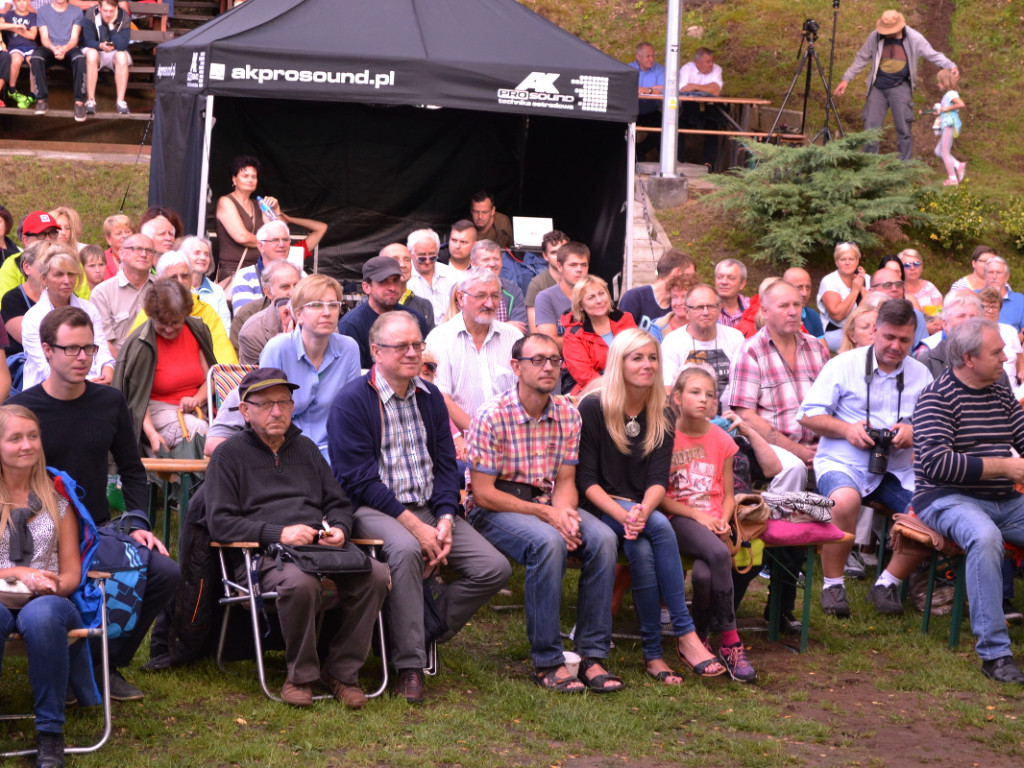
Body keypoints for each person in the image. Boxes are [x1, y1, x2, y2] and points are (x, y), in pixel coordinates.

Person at [328, 311, 511, 703]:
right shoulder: (351, 402)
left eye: (417, 344)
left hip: (431, 506)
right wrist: (417, 527)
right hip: (374, 510)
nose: (413, 353)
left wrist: (445, 518)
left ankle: (420, 628)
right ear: (376, 351)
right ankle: (409, 665)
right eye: (402, 346)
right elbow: (358, 481)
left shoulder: (430, 398)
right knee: (408, 550)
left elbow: (447, 466)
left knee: (493, 568)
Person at [10, 306, 178, 702]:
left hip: (98, 528)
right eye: (72, 349)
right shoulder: (21, 411)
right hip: (38, 534)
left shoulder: (109, 401)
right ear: (47, 351)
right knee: (72, 582)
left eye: (89, 348)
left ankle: (107, 663)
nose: (83, 357)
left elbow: (133, 470)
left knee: (165, 572)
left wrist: (137, 520)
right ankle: (69, 667)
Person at [204, 367, 390, 707]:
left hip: (319, 550)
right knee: (299, 583)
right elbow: (219, 523)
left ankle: (341, 672)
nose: (277, 411)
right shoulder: (229, 455)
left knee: (376, 575)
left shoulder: (306, 449)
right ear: (245, 410)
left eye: (284, 402)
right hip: (264, 556)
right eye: (266, 404)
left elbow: (338, 503)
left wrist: (339, 528)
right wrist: (279, 533)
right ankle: (301, 676)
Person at [466, 333, 621, 693]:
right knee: (548, 543)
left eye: (554, 360)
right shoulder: (492, 416)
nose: (548, 367)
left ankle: (592, 654)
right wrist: (548, 517)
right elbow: (483, 493)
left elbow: (566, 479)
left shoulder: (568, 413)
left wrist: (564, 514)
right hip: (497, 506)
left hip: (550, 501)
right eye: (538, 360)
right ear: (516, 367)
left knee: (604, 539)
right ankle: (548, 660)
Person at [577, 331, 728, 683]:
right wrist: (626, 515)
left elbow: (659, 477)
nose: (647, 364)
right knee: (659, 528)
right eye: (637, 357)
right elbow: (586, 480)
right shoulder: (594, 406)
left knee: (643, 550)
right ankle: (684, 636)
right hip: (599, 505)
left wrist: (642, 510)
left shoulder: (661, 410)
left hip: (641, 507)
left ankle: (654, 656)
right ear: (619, 361)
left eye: (652, 358)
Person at [798, 299, 933, 617]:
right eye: (889, 337)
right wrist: (846, 430)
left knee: (932, 509)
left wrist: (913, 431)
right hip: (844, 461)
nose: (895, 346)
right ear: (874, 331)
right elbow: (808, 415)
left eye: (904, 340)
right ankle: (833, 585)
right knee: (844, 501)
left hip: (898, 467)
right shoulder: (843, 364)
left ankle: (887, 583)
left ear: (913, 338)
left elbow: (935, 423)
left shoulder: (921, 374)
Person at [912, 318, 1024, 683]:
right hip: (946, 497)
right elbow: (937, 463)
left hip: (1004, 500)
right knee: (985, 536)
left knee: (990, 528)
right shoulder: (936, 398)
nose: (1006, 358)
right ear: (968, 358)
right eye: (997, 352)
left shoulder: (999, 390)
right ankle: (995, 655)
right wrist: (1004, 467)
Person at [0, 405, 94, 766]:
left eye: (33, 436)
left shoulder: (58, 501)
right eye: (15, 438)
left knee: (42, 617)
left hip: (49, 601)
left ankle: (50, 734)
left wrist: (53, 585)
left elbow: (72, 572)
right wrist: (20, 573)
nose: (27, 445)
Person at [660, 365, 759, 681]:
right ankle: (731, 642)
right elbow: (660, 497)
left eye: (710, 394)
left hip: (714, 521)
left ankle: (699, 637)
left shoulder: (722, 440)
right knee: (718, 556)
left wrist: (722, 518)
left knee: (704, 576)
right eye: (695, 392)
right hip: (680, 518)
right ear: (676, 397)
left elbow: (729, 494)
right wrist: (700, 516)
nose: (704, 400)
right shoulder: (666, 438)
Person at [259, 274, 360, 462]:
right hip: (284, 449)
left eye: (333, 305)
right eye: (316, 305)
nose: (327, 312)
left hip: (335, 450)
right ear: (298, 314)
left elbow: (352, 410)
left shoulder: (349, 348)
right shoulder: (278, 349)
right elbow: (264, 413)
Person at [833, 9, 957, 160]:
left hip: (900, 86)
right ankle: (868, 166)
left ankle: (904, 167)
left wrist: (949, 65)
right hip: (877, 87)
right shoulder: (876, 36)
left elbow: (932, 54)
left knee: (904, 129)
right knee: (870, 128)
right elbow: (862, 57)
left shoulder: (914, 38)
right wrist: (846, 79)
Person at [113, 279, 214, 454]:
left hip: (198, 407)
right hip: (157, 410)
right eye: (162, 323)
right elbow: (136, 400)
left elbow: (211, 378)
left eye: (175, 322)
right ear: (151, 316)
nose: (168, 329)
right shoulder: (140, 344)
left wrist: (196, 398)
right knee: (197, 430)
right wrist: (152, 434)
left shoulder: (197, 330)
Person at [424, 267, 521, 432]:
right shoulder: (440, 338)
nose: (490, 303)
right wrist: (480, 434)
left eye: (495, 295)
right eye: (481, 296)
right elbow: (441, 397)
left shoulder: (514, 337)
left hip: (511, 437)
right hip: (462, 441)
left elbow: (524, 391)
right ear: (460, 298)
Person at [21, 243, 115, 389]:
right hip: (46, 393)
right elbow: (47, 370)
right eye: (59, 274)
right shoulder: (32, 318)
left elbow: (100, 347)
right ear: (44, 279)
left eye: (71, 274)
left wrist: (108, 369)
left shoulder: (89, 309)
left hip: (94, 386)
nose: (67, 280)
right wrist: (89, 381)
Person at [127, 250, 237, 365]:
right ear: (160, 281)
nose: (180, 281)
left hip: (200, 376)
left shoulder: (205, 310)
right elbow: (134, 353)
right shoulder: (150, 312)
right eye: (173, 277)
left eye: (185, 276)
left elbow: (222, 351)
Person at [338, 255, 430, 369]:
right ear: (366, 287)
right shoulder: (351, 325)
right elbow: (351, 377)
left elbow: (426, 365)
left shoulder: (415, 319)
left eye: (396, 281)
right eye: (383, 282)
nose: (392, 287)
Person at [561, 275, 636, 395]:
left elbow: (637, 354)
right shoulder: (573, 334)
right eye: (591, 297)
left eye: (602, 293)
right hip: (585, 388)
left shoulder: (625, 319)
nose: (599, 300)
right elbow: (585, 376)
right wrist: (619, 388)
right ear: (580, 305)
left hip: (625, 382)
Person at [89, 232, 156, 355]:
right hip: (118, 365)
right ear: (121, 253)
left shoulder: (162, 288)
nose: (144, 254)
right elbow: (103, 341)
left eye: (149, 250)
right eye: (137, 249)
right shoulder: (102, 293)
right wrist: (123, 368)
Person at [214, 155, 270, 281]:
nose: (250, 179)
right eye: (245, 176)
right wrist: (270, 243)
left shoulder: (259, 204)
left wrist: (275, 209)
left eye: (253, 176)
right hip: (234, 271)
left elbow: (276, 231)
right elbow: (242, 237)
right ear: (234, 179)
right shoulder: (226, 201)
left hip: (260, 269)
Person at [234, 260, 300, 365]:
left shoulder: (319, 315)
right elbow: (257, 377)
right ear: (268, 292)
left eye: (297, 285)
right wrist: (283, 348)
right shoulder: (250, 326)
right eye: (285, 287)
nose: (293, 292)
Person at [29, 0, 86, 119]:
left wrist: (64, 49)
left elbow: (74, 38)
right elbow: (44, 38)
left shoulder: (77, 11)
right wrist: (54, 49)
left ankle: (79, 103)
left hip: (69, 48)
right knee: (36, 57)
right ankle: (41, 100)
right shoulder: (43, 11)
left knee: (80, 58)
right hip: (50, 48)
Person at [619, 249, 696, 331]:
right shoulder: (634, 298)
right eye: (690, 276)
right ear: (677, 272)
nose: (693, 281)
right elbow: (623, 338)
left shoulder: (679, 305)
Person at [534, 241, 589, 351]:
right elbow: (549, 343)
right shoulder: (545, 297)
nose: (579, 270)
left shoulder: (597, 296)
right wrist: (591, 340)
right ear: (559, 266)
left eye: (583, 265)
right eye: (573, 265)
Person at [230, 220, 297, 310]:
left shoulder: (301, 275)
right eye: (275, 240)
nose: (281, 244)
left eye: (285, 239)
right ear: (260, 246)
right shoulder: (245, 276)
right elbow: (244, 320)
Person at [677, 47, 725, 170]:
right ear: (698, 64)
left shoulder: (717, 69)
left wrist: (695, 86)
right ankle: (678, 160)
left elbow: (716, 91)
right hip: (688, 109)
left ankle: (708, 164)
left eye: (712, 61)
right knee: (677, 124)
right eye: (708, 62)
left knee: (712, 125)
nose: (711, 64)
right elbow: (682, 89)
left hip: (709, 107)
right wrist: (707, 87)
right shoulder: (687, 69)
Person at [818, 241, 870, 352]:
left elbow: (872, 308)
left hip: (862, 328)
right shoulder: (829, 281)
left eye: (851, 259)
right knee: (865, 344)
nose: (847, 263)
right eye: (843, 259)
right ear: (837, 262)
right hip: (835, 330)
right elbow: (837, 315)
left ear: (857, 261)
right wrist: (855, 290)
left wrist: (863, 291)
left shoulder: (867, 279)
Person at [81, 0, 131, 116]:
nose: (108, 14)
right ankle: (91, 100)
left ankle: (120, 101)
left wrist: (111, 26)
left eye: (111, 11)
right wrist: (100, 46)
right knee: (91, 54)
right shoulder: (90, 14)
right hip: (96, 51)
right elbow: (87, 40)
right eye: (105, 11)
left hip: (115, 53)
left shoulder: (124, 16)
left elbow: (123, 45)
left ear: (117, 8)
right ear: (99, 7)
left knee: (122, 56)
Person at [916, 291, 982, 378]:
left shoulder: (990, 359)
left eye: (973, 317)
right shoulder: (928, 361)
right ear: (945, 324)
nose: (968, 322)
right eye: (961, 316)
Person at [469, 239, 527, 331]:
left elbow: (520, 329)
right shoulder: (463, 289)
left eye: (496, 259)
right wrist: (505, 326)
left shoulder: (513, 290)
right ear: (473, 264)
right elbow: (466, 327)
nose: (492, 264)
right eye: (486, 260)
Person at [180, 235, 231, 334]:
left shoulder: (217, 291)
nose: (203, 258)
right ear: (184, 257)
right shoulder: (175, 288)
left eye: (207, 254)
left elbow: (224, 329)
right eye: (197, 253)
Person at [405, 229, 457, 325]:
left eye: (433, 257)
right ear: (410, 253)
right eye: (422, 258)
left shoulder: (451, 274)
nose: (428, 261)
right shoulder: (405, 279)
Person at [381, 242, 434, 328]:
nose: (403, 265)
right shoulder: (371, 303)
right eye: (395, 260)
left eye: (407, 260)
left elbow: (429, 340)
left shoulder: (424, 305)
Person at [525, 230, 569, 330]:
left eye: (563, 251)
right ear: (545, 256)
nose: (559, 256)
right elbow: (535, 333)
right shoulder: (537, 285)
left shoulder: (581, 281)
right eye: (554, 252)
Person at [630, 41, 666, 160]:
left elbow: (663, 90)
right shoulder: (629, 69)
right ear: (638, 57)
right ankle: (632, 156)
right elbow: (627, 89)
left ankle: (638, 153)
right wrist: (653, 89)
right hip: (632, 109)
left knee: (662, 129)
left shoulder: (660, 69)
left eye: (653, 55)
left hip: (651, 109)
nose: (651, 59)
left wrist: (647, 90)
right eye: (648, 56)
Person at [0, 0, 38, 108]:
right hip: (15, 47)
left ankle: (32, 95)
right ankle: (12, 90)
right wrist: (16, 26)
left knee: (34, 61)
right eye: (18, 1)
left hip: (30, 47)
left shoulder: (33, 16)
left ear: (28, 2)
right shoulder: (8, 14)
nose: (21, 3)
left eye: (24, 1)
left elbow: (32, 35)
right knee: (15, 60)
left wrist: (13, 29)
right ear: (14, 2)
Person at [931, 67, 966, 185]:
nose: (938, 84)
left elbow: (960, 104)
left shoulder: (951, 93)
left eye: (939, 82)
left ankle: (952, 179)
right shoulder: (947, 95)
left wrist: (946, 108)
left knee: (944, 152)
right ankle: (958, 165)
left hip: (949, 125)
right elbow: (946, 110)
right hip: (945, 124)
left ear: (944, 82)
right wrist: (939, 111)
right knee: (938, 151)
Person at [898, 248, 942, 334]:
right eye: (907, 265)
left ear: (921, 267)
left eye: (916, 264)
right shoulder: (897, 290)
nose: (912, 268)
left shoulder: (929, 287)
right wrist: (923, 327)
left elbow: (940, 311)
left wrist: (938, 324)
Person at [984, 257, 1024, 334]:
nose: (994, 277)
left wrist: (1012, 340)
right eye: (990, 272)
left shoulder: (1020, 300)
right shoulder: (974, 297)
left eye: (999, 273)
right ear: (985, 275)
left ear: (1007, 276)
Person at [782, 267, 825, 339]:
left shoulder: (812, 315)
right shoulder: (775, 316)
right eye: (799, 287)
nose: (805, 294)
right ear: (784, 288)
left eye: (808, 288)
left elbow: (822, 348)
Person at [714, 259, 748, 329]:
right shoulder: (705, 308)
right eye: (719, 277)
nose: (724, 282)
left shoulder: (753, 308)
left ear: (742, 284)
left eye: (731, 278)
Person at [99, 213, 133, 279]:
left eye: (127, 232)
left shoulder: (142, 254)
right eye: (119, 233)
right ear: (108, 239)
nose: (124, 236)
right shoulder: (102, 259)